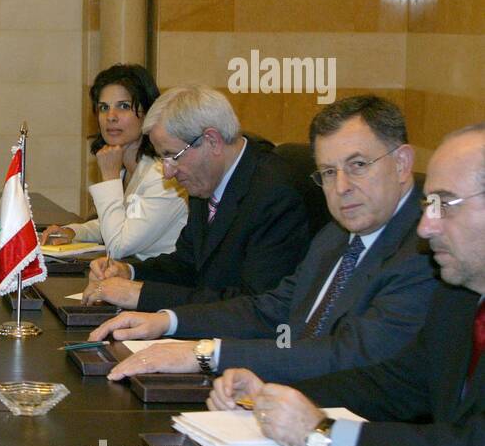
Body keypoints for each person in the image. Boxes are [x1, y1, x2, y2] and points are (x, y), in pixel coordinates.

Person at [208, 124, 485, 446]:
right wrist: (273, 397)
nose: (425, 226)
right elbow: (398, 384)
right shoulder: (460, 298)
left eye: (444, 204)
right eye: (427, 205)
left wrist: (324, 434)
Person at [92, 96, 436, 384]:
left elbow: (349, 355)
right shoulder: (337, 233)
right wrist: (167, 321)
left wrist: (206, 354)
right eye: (329, 172)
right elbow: (273, 308)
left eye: (358, 165)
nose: (342, 187)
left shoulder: (423, 250)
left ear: (403, 163)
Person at [82, 85, 312, 311]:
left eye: (172, 156)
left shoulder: (274, 194)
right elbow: (188, 265)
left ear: (212, 140)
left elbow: (256, 303)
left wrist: (142, 294)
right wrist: (130, 273)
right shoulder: (204, 180)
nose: (169, 172)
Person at [40, 64, 186, 260]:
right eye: (104, 108)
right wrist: (72, 232)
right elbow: (116, 223)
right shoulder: (129, 168)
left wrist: (109, 177)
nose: (111, 117)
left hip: (162, 284)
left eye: (124, 106)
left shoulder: (163, 178)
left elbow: (118, 246)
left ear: (148, 113)